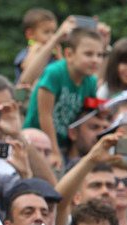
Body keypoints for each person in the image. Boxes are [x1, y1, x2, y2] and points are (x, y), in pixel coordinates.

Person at [23, 28, 105, 169]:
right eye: (88, 54)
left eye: (99, 55)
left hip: (64, 143)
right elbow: (45, 116)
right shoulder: (54, 73)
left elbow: (85, 115)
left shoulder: (90, 81)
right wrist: (54, 151)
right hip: (38, 141)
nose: (95, 60)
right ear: (69, 54)